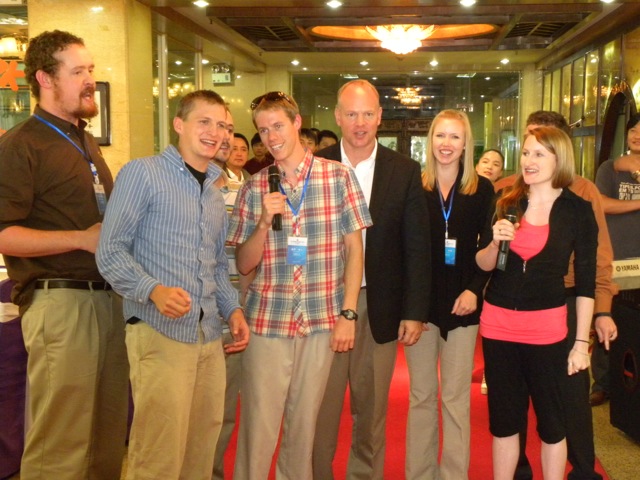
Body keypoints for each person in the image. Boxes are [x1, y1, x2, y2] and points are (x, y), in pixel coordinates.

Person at [97, 90, 250, 479]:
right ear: (179, 124)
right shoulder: (142, 173)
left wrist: (232, 309)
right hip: (159, 332)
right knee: (158, 453)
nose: (216, 133)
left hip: (208, 334)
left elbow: (215, 267)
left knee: (201, 446)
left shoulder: (215, 192)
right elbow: (110, 252)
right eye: (205, 122)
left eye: (224, 126)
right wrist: (153, 290)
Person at [0, 30, 129, 480]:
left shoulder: (83, 140)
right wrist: (79, 238)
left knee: (108, 435)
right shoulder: (22, 145)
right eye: (78, 72)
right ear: (45, 79)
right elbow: (4, 235)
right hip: (60, 302)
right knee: (62, 442)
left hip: (107, 299)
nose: (90, 80)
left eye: (91, 69)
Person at [227, 91, 372, 479]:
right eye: (262, 130)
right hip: (268, 322)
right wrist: (261, 224)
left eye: (277, 126)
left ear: (296, 123)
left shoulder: (339, 177)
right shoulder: (253, 187)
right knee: (258, 428)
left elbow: (355, 253)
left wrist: (348, 314)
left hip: (321, 320)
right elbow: (244, 264)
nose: (271, 137)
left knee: (303, 429)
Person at [313, 79, 431, 480]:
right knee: (319, 409)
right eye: (351, 114)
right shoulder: (316, 165)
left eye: (367, 114)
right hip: (323, 305)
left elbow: (417, 248)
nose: (359, 123)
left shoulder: (404, 170)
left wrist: (414, 312)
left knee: (372, 410)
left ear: (380, 116)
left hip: (379, 306)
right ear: (337, 117)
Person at [495, 111, 617, 480]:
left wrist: (602, 312)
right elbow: (493, 261)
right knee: (510, 409)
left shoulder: (581, 194)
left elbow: (597, 261)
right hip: (511, 308)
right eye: (527, 145)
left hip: (564, 305)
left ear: (559, 149)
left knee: (566, 401)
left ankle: (581, 470)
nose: (530, 156)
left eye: (541, 147)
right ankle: (519, 470)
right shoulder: (506, 194)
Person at [405, 109, 494, 480]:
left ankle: (454, 475)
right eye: (440, 136)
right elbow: (404, 248)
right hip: (421, 308)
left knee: (456, 400)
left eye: (455, 137)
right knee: (422, 398)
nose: (447, 144)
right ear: (431, 141)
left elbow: (491, 247)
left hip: (464, 304)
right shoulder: (414, 184)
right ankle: (420, 475)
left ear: (465, 144)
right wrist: (410, 307)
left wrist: (475, 290)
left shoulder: (482, 190)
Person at [212, 124, 254, 480]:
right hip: (192, 316)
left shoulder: (248, 190)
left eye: (227, 132)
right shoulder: (191, 188)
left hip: (236, 311)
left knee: (225, 411)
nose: (226, 144)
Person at [592, 113, 640, 407]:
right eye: (633, 130)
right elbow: (601, 204)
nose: (637, 135)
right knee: (608, 316)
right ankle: (603, 383)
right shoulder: (610, 168)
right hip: (619, 258)